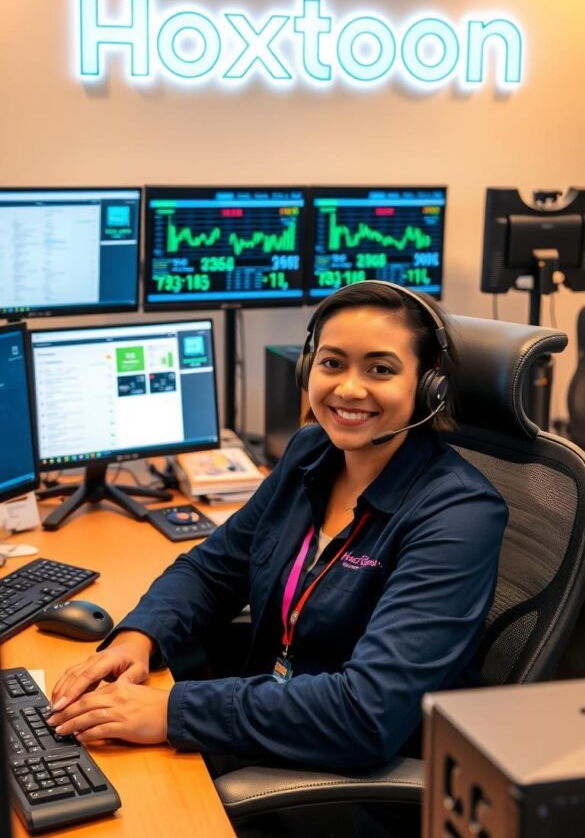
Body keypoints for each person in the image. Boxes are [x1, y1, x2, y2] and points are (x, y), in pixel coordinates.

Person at [48, 281, 508, 777]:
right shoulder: (312, 454)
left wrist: (171, 711)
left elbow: (366, 713)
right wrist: (137, 639)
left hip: (351, 778)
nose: (349, 388)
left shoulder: (459, 514)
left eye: (380, 369)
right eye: (332, 363)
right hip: (260, 725)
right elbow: (213, 570)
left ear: (427, 385)